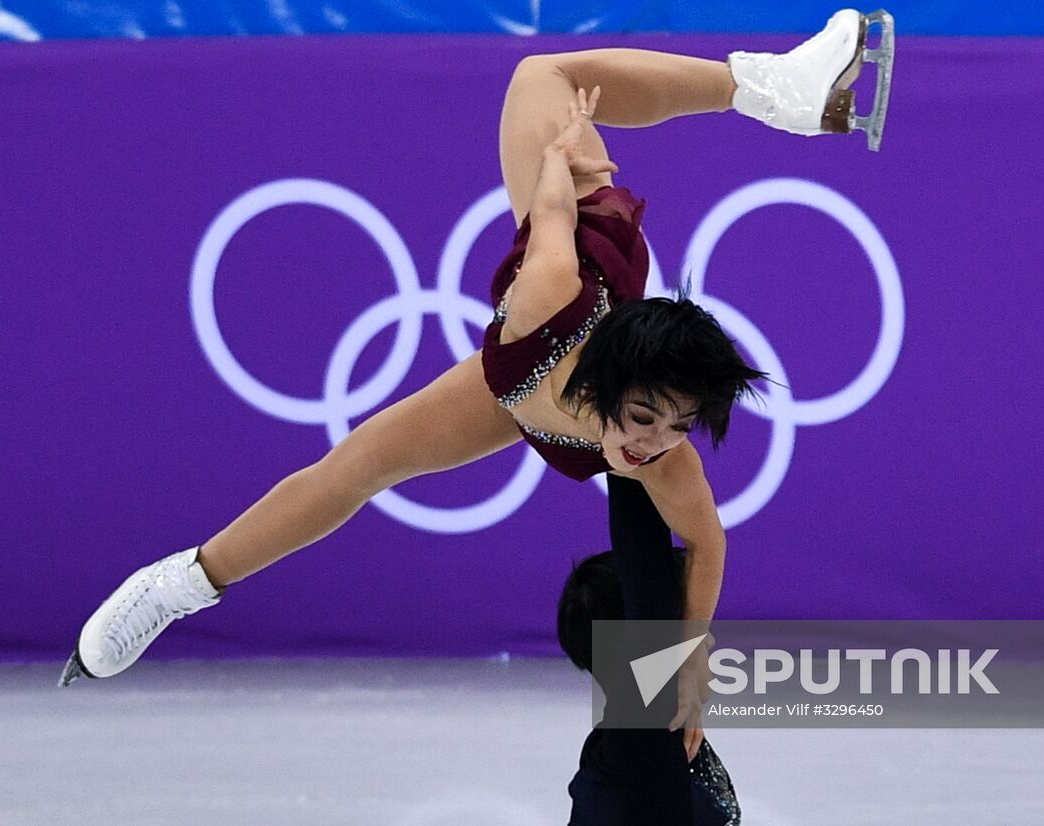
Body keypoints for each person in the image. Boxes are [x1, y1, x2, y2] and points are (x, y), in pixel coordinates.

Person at [59, 9, 893, 695]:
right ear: (610, 388)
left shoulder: (664, 460)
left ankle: (786, 93)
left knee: (369, 464)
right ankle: (174, 587)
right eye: (643, 419)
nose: (650, 444)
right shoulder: (547, 293)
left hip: (563, 367)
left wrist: (689, 675)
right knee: (543, 80)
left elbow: (708, 545)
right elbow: (554, 218)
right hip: (560, 286)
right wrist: (565, 166)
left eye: (675, 429)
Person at [558, 474, 740, 825]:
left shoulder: (642, 734)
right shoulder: (640, 736)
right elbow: (643, 560)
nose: (705, 634)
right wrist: (632, 448)